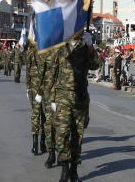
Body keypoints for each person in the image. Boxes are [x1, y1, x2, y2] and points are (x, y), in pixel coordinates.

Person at [48, 32, 98, 182]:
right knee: (62, 134)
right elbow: (52, 73)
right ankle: (64, 169)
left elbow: (95, 64)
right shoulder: (60, 47)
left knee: (77, 136)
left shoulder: (85, 47)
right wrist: (52, 99)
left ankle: (74, 170)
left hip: (80, 97)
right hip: (63, 96)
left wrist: (90, 47)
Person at [25, 40, 46, 155]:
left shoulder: (47, 52)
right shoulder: (31, 53)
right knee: (37, 115)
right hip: (35, 88)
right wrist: (28, 87)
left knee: (43, 116)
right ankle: (36, 143)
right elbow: (28, 70)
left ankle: (41, 142)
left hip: (43, 88)